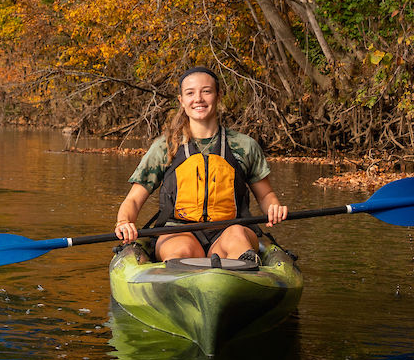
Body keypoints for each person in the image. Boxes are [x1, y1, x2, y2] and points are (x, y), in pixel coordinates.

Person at [113, 66, 287, 266]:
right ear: (181, 100)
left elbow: (265, 195)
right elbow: (134, 200)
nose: (198, 99)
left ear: (218, 95)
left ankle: (242, 270)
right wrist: (124, 221)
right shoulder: (165, 147)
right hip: (177, 230)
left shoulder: (245, 146)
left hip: (231, 228)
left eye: (206, 91)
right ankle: (182, 275)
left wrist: (273, 208)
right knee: (181, 250)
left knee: (237, 237)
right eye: (190, 93)